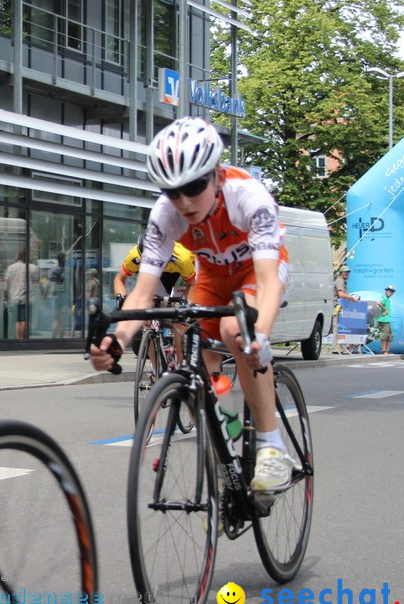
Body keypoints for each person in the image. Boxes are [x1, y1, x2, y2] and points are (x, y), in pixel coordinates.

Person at [88, 116, 294, 493]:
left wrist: (259, 335)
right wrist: (115, 341)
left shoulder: (249, 197)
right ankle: (223, 442)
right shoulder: (165, 215)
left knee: (238, 331)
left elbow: (268, 283)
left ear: (216, 173)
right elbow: (142, 292)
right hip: (213, 278)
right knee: (191, 354)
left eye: (194, 187)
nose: (183, 202)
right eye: (172, 192)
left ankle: (271, 446)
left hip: (256, 271)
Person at [113, 233, 197, 365]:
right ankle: (155, 367)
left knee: (179, 318)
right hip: (156, 275)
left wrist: (187, 304)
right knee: (147, 319)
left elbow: (192, 284)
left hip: (181, 274)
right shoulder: (135, 255)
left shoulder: (183, 257)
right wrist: (121, 299)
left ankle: (182, 363)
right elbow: (119, 279)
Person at [4, 249, 39, 339]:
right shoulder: (33, 267)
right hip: (26, 297)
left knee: (15, 320)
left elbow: (6, 284)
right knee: (23, 319)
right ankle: (22, 339)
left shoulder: (11, 268)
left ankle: (16, 338)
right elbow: (36, 283)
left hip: (13, 297)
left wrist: (5, 295)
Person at [377, 285, 395, 355]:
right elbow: (379, 303)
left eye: (392, 292)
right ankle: (384, 350)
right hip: (384, 319)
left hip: (387, 319)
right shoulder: (384, 298)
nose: (390, 293)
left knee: (389, 335)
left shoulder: (387, 299)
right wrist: (385, 310)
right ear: (386, 291)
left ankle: (387, 350)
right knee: (385, 335)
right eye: (389, 291)